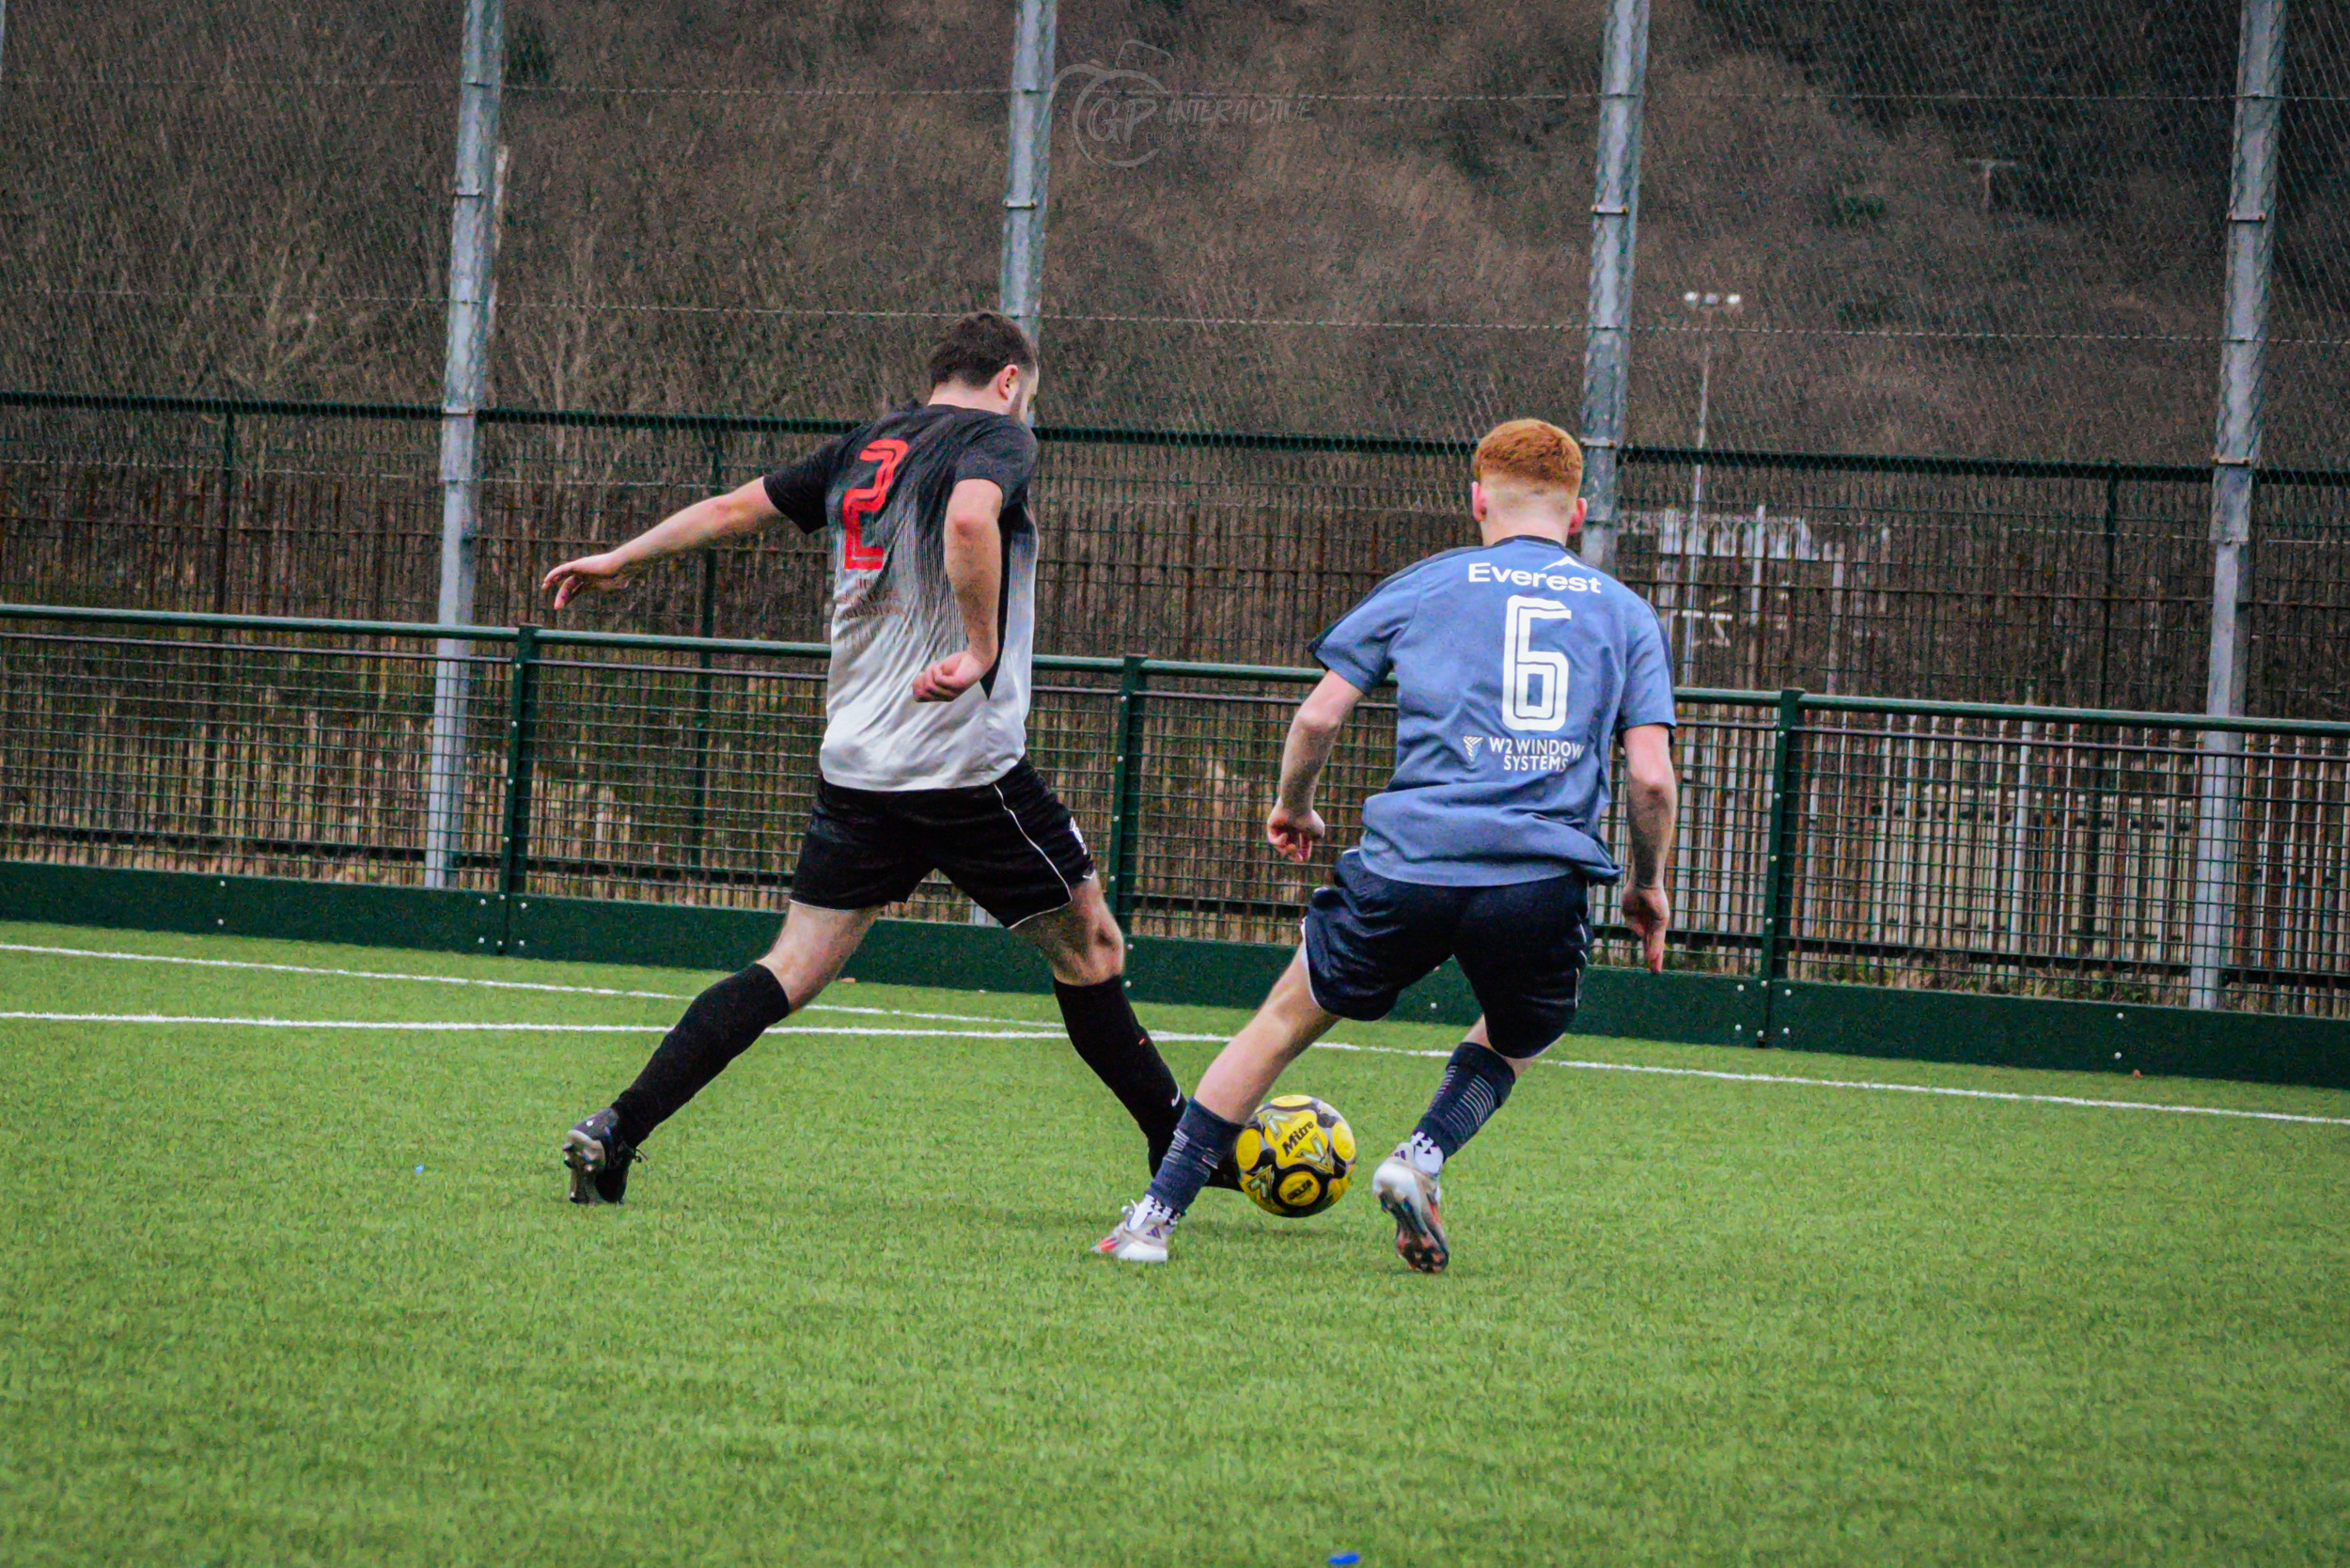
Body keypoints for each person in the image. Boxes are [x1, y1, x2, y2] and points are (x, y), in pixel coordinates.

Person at [546, 311, 1198, 1205]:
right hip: (966, 771)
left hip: (858, 767)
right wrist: (977, 651)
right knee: (1092, 949)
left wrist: (624, 557)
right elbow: (972, 516)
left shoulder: (868, 446)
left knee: (792, 967)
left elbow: (736, 507)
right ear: (1010, 381)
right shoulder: (996, 438)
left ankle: (617, 1127)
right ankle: (1181, 1151)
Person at [1096, 418, 1680, 1271]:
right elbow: (1653, 779)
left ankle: (1153, 1219)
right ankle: (1422, 1156)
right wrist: (1647, 884)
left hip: (1408, 862)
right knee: (1516, 1036)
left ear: (1477, 498)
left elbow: (1318, 715)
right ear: (1579, 514)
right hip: (1539, 875)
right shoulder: (1627, 615)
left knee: (1283, 1021)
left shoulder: (1426, 585)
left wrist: (1294, 805)